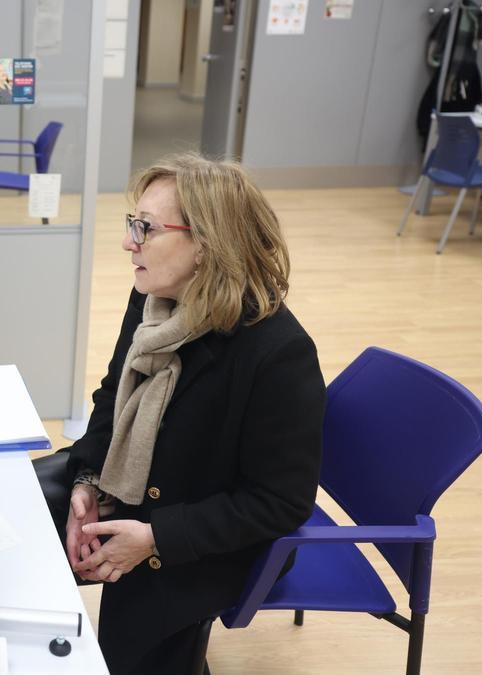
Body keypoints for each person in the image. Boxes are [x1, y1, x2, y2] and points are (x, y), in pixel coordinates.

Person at [48, 153, 324, 673]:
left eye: (145, 229)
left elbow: (278, 504)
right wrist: (87, 480)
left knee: (126, 651)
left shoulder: (278, 354)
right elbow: (113, 395)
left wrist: (155, 540)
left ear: (205, 244)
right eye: (133, 224)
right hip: (144, 490)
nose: (130, 242)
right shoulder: (155, 299)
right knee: (13, 521)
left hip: (210, 539)